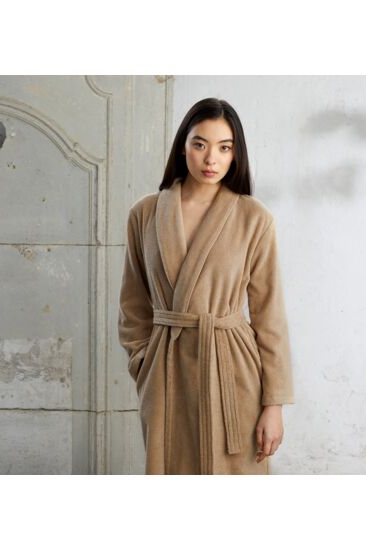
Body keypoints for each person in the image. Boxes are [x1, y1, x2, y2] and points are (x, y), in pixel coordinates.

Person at [118, 97, 295, 474]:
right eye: (200, 144)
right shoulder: (145, 214)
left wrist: (274, 404)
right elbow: (133, 305)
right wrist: (143, 363)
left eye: (224, 147)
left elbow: (270, 318)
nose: (211, 158)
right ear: (183, 147)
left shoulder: (254, 218)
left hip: (233, 374)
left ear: (235, 154)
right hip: (166, 374)